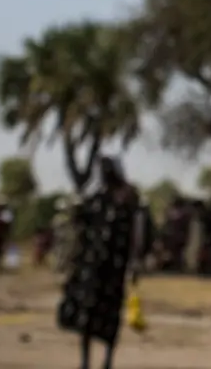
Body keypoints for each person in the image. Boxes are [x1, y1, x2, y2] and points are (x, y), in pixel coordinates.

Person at [57, 156, 142, 369]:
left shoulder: (128, 198)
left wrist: (135, 262)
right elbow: (81, 225)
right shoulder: (96, 199)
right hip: (91, 266)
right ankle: (85, 362)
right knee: (87, 314)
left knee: (110, 316)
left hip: (114, 268)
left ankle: (107, 361)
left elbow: (136, 233)